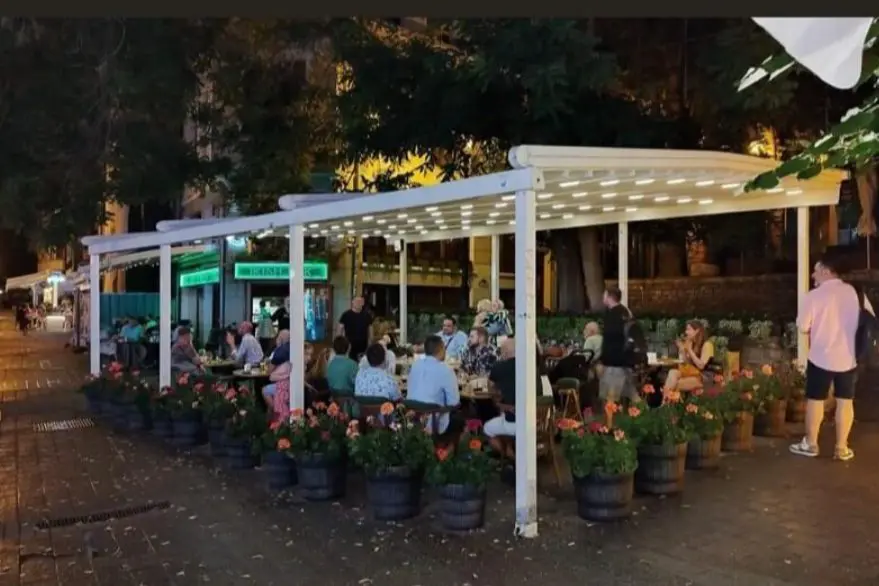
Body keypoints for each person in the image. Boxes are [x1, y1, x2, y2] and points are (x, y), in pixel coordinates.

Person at [790, 255, 873, 461]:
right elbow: (870, 319)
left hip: (820, 356)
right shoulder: (855, 292)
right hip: (848, 357)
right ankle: (841, 447)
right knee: (845, 401)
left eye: (816, 270)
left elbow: (803, 327)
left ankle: (811, 443)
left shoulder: (813, 296)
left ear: (826, 271)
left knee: (816, 400)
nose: (813, 275)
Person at [407, 334, 462, 434]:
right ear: (441, 349)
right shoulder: (446, 370)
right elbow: (454, 402)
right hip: (434, 423)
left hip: (412, 419)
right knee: (464, 418)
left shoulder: (415, 365)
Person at [598, 286, 641, 409]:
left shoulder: (612, 315)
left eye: (604, 295)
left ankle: (610, 421)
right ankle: (645, 414)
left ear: (610, 297)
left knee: (610, 398)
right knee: (632, 394)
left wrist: (603, 360)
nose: (603, 298)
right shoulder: (626, 312)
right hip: (626, 360)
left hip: (614, 362)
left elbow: (610, 340)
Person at [663, 321, 716, 393]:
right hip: (692, 373)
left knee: (675, 384)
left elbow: (701, 366)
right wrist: (682, 350)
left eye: (688, 329)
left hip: (704, 377)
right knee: (672, 372)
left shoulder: (707, 344)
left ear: (697, 331)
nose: (686, 332)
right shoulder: (691, 343)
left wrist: (690, 350)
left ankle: (666, 398)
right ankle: (666, 398)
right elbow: (688, 362)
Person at [338, 296, 373, 361]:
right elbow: (340, 330)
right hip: (349, 346)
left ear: (363, 303)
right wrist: (339, 344)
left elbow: (370, 330)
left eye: (360, 301)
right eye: (356, 301)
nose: (358, 303)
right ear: (352, 302)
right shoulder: (346, 315)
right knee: (350, 362)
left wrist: (370, 343)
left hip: (363, 346)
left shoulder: (367, 315)